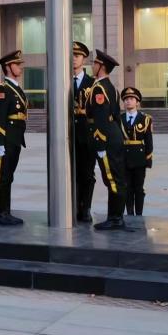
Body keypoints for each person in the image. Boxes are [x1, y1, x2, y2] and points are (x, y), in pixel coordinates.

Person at [88, 50, 129, 231]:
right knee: (115, 177)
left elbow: (101, 117)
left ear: (101, 67)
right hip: (114, 135)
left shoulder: (99, 88)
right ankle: (115, 217)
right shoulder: (111, 87)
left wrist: (100, 143)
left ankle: (115, 218)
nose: (93, 66)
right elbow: (116, 116)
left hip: (106, 138)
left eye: (95, 63)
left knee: (112, 179)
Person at [0, 50, 28, 226]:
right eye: (17, 64)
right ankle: (0, 212)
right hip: (6, 140)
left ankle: (6, 211)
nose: (20, 67)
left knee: (9, 176)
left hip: (15, 139)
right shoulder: (2, 89)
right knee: (2, 177)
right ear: (8, 67)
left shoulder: (17, 88)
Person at [72, 41, 96, 223]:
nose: (74, 59)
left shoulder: (92, 84)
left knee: (86, 174)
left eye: (77, 56)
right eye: (71, 56)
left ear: (84, 59)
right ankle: (72, 207)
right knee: (70, 174)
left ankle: (85, 208)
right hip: (68, 135)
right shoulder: (63, 81)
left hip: (86, 135)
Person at [121, 86, 153, 218]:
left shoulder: (145, 119)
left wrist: (148, 160)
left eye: (131, 99)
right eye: (126, 99)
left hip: (139, 159)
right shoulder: (119, 119)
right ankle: (130, 214)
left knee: (138, 188)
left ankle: (139, 215)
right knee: (127, 188)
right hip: (124, 158)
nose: (128, 101)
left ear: (137, 102)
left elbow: (149, 142)